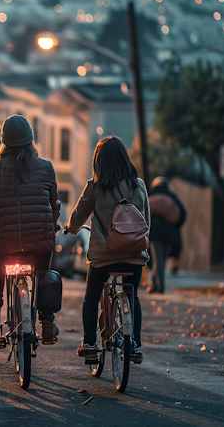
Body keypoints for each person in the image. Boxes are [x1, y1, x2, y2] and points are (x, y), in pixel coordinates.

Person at [0, 115, 61, 344]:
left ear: (4, 142)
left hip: (6, 244)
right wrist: (53, 223)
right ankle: (47, 322)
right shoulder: (46, 167)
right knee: (44, 273)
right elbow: (54, 204)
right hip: (40, 241)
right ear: (31, 140)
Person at [64, 136, 149, 364]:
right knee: (133, 296)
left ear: (98, 161)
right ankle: (137, 346)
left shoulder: (95, 187)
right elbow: (146, 221)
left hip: (104, 258)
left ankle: (90, 344)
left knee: (91, 298)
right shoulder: (138, 185)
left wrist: (70, 228)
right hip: (134, 257)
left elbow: (78, 216)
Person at [147, 176, 186, 293]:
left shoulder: (149, 194)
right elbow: (183, 214)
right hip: (170, 234)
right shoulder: (172, 196)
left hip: (155, 233)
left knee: (157, 259)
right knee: (161, 260)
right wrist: (176, 226)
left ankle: (160, 286)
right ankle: (155, 284)